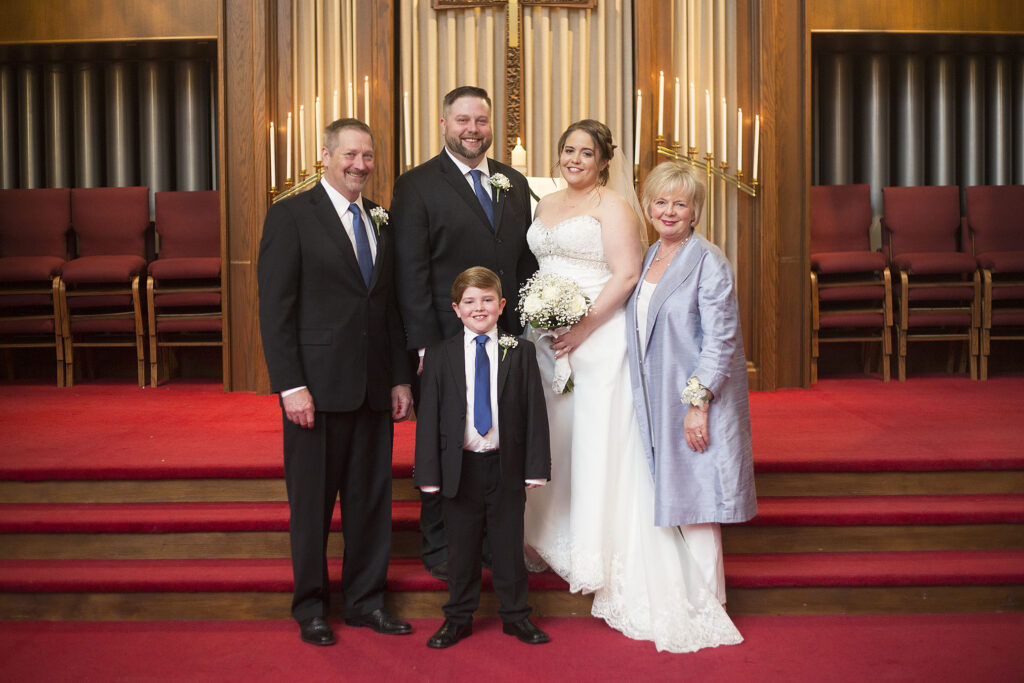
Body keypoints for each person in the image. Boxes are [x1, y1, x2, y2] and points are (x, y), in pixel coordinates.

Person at [523, 120, 743, 653]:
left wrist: (582, 327)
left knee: (598, 442)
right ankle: (551, 532)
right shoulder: (543, 204)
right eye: (568, 149)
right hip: (545, 343)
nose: (575, 158)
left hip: (594, 340)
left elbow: (623, 276)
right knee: (557, 440)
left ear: (604, 161)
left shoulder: (616, 208)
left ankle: (597, 545)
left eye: (587, 152)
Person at [258, 118, 414, 646]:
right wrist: (289, 385)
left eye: (367, 157)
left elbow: (388, 307)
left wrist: (398, 379)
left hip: (372, 387)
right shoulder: (290, 216)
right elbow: (275, 310)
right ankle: (311, 609)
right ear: (325, 156)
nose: (359, 166)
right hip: (316, 392)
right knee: (312, 506)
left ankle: (367, 603)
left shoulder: (381, 220)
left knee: (371, 504)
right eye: (350, 155)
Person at [391, 85, 538, 581]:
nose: (473, 129)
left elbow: (522, 262)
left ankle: (495, 546)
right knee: (446, 445)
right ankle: (440, 550)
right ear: (444, 124)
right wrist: (425, 345)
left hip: (504, 341)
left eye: (481, 120)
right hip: (446, 343)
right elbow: (410, 272)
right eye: (463, 120)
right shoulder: (416, 186)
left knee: (500, 443)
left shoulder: (513, 183)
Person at [626, 159, 758, 608]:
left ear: (694, 211)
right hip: (657, 396)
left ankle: (708, 605)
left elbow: (720, 340)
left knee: (699, 501)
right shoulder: (649, 257)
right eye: (660, 202)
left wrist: (698, 404)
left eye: (679, 204)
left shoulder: (708, 260)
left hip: (692, 398)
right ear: (647, 207)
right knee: (675, 497)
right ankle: (678, 596)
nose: (669, 211)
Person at [414, 266, 552, 649]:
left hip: (505, 465)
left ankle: (516, 617)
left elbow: (534, 412)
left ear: (502, 305)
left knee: (509, 546)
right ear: (456, 309)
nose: (480, 308)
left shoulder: (519, 352)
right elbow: (429, 419)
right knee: (461, 549)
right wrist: (429, 472)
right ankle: (458, 618)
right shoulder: (440, 355)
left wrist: (536, 466)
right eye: (470, 302)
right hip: (461, 468)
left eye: (488, 300)